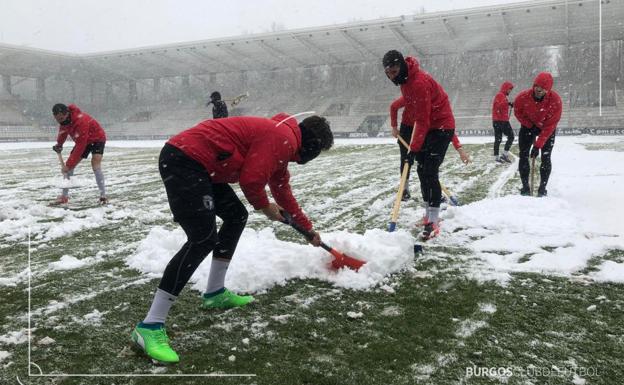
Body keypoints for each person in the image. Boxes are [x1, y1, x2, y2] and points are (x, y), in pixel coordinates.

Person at [131, 113, 333, 363]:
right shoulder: (282, 138)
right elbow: (252, 180)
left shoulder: (283, 140)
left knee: (236, 216)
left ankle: (215, 293)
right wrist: (264, 206)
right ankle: (149, 326)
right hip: (184, 160)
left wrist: (308, 230)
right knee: (202, 238)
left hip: (202, 166)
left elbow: (282, 191)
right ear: (312, 145)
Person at [382, 50, 456, 240]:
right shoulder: (406, 82)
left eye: (395, 70)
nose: (393, 76)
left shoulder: (418, 82)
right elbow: (416, 116)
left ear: (402, 66)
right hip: (430, 127)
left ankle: (433, 219)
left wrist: (412, 149)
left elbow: (422, 120)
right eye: (388, 73)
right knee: (422, 170)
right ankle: (428, 214)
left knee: (430, 170)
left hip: (441, 127)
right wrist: (413, 149)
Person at [390, 95, 470, 202]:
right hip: (407, 129)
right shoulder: (412, 96)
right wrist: (394, 127)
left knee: (425, 164)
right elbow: (393, 106)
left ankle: (431, 194)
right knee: (406, 160)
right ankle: (405, 189)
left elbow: (448, 130)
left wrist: (460, 150)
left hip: (422, 129)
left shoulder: (433, 108)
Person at [513, 72, 562, 197]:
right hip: (528, 126)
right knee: (523, 155)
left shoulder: (555, 101)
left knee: (546, 157)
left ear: (548, 90)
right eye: (536, 87)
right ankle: (525, 187)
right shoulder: (522, 97)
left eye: (541, 89)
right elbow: (518, 112)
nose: (538, 90)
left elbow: (550, 126)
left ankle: (542, 189)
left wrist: (538, 146)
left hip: (546, 129)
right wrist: (529, 125)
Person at [51, 103, 107, 205]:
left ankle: (103, 196)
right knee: (69, 169)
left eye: (62, 118)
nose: (60, 121)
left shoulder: (81, 120)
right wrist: (59, 144)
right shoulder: (64, 122)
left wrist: (68, 165)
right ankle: (64, 197)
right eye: (57, 119)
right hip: (83, 140)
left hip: (98, 138)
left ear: (67, 113)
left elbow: (81, 145)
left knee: (95, 164)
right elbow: (63, 133)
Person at [492, 81, 515, 163]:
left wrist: (508, 103)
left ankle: (497, 157)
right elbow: (499, 105)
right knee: (511, 136)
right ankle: (504, 155)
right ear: (506, 88)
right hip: (501, 120)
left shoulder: (502, 96)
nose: (510, 91)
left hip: (498, 120)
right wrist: (508, 103)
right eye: (509, 89)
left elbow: (501, 104)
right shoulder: (500, 95)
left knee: (498, 139)